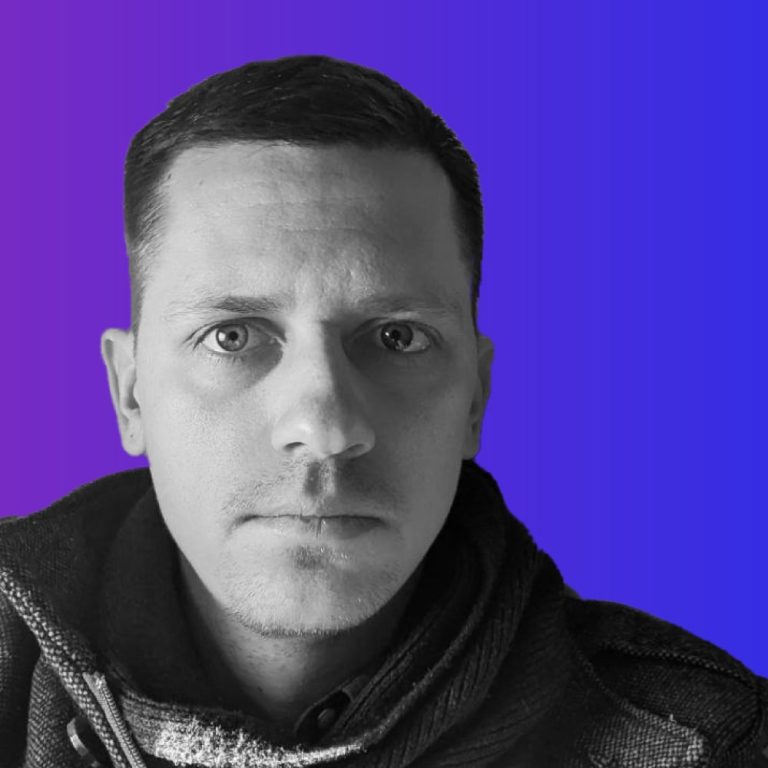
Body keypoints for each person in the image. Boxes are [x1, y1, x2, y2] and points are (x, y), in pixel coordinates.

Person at [0, 55, 766, 768]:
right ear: (129, 392)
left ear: (476, 397)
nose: (325, 428)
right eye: (232, 336)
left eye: (397, 337)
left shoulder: (711, 744)